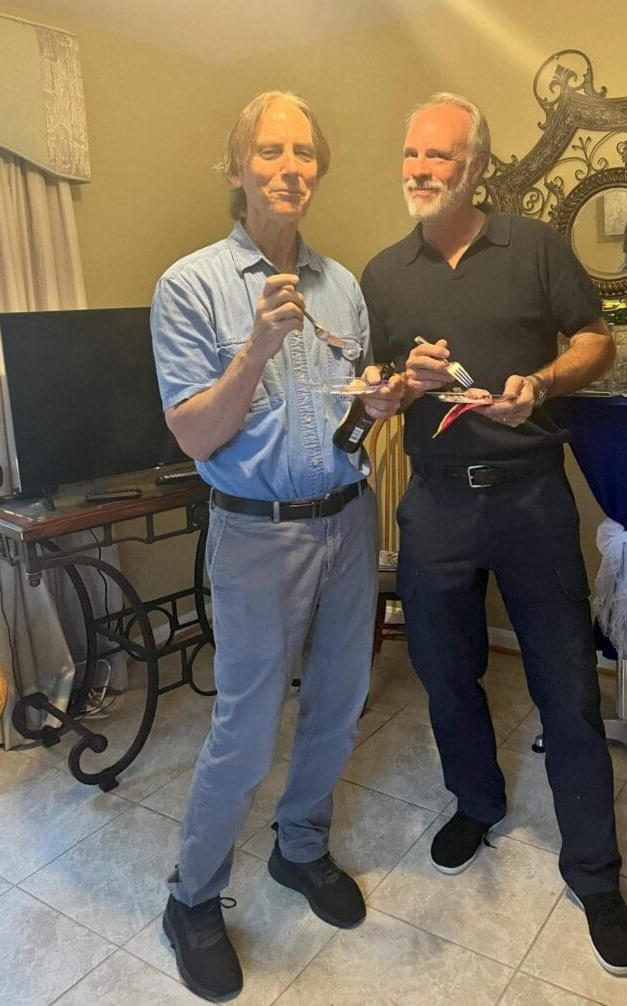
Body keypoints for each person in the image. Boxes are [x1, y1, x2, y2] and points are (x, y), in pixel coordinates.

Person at [360, 92, 627, 977]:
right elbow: (373, 383)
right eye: (410, 154)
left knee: (565, 687)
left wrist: (544, 381)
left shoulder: (536, 246)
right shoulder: (384, 271)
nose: (419, 169)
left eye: (438, 156)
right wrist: (387, 391)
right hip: (435, 500)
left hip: (529, 500)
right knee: (445, 673)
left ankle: (594, 873)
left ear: (476, 164)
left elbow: (597, 340)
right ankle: (476, 803)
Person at [151, 90, 404, 1001]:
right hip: (254, 540)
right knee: (246, 732)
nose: (289, 166)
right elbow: (193, 437)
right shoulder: (189, 286)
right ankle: (192, 897)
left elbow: (346, 417)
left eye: (304, 151)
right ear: (237, 170)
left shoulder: (343, 286)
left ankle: (299, 850)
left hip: (346, 518)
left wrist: (380, 404)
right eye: (269, 151)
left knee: (339, 705)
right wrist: (253, 349)